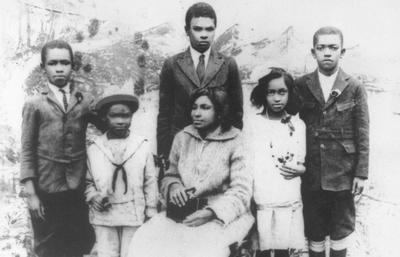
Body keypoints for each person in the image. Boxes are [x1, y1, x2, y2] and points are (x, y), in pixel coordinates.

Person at [128, 88, 253, 257]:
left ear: (220, 111)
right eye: (194, 107)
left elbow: (241, 190)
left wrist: (212, 212)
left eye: (205, 108)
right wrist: (174, 186)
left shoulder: (236, 141)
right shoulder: (183, 137)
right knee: (145, 241)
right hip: (182, 213)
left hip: (220, 215)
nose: (197, 113)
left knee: (199, 249)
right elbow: (171, 174)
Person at [19, 40, 103, 257]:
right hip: (47, 188)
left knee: (78, 242)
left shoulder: (84, 100)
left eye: (65, 63)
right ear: (43, 67)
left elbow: (107, 125)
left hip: (76, 188)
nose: (59, 68)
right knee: (48, 246)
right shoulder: (34, 104)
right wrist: (31, 194)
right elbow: (27, 150)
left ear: (72, 66)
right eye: (53, 63)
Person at [295, 27, 369, 257]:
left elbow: (363, 132)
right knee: (314, 230)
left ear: (342, 51)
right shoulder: (301, 85)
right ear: (313, 51)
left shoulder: (354, 86)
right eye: (321, 47)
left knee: (340, 230)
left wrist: (361, 173)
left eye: (333, 47)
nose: (327, 53)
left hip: (343, 173)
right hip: (312, 172)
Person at [156, 2, 243, 175]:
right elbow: (165, 114)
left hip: (217, 150)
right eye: (198, 29)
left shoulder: (228, 64)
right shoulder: (172, 65)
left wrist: (231, 150)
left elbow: (237, 113)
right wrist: (164, 154)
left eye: (209, 29)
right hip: (180, 149)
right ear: (187, 30)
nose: (204, 35)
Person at [85, 93, 158, 257]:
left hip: (133, 212)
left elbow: (150, 180)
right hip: (105, 214)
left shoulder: (141, 146)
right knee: (106, 253)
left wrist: (151, 210)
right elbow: (88, 182)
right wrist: (94, 196)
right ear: (104, 117)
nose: (120, 121)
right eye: (114, 116)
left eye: (125, 116)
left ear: (132, 117)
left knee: (132, 252)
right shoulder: (95, 148)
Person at [248, 68, 306, 257]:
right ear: (263, 94)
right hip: (262, 198)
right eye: (271, 92)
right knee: (262, 249)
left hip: (288, 197)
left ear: (290, 94)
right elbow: (247, 163)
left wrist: (302, 168)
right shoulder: (253, 124)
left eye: (282, 92)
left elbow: (302, 160)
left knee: (285, 250)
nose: (277, 98)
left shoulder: (297, 125)